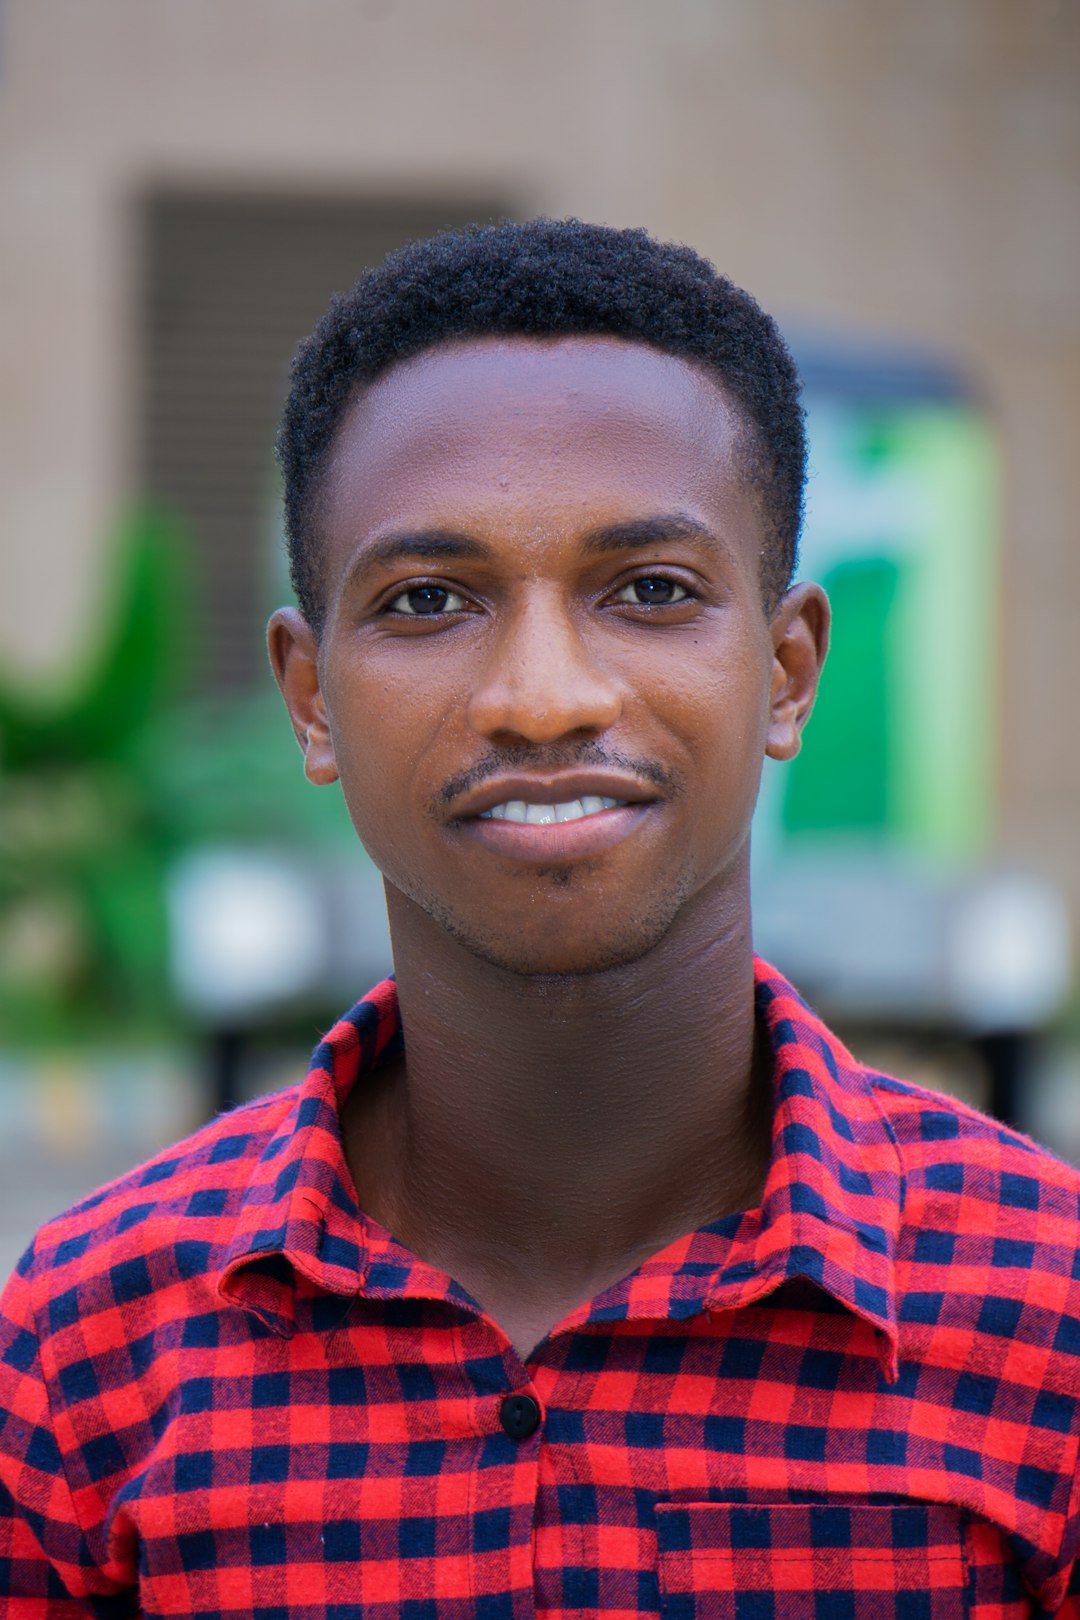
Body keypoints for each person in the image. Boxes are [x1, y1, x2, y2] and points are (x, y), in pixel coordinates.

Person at [1, 218, 1078, 1617]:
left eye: (650, 591)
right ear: (311, 694)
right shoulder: (91, 1349)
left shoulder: (1046, 1321)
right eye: (430, 598)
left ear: (789, 670)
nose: (544, 695)